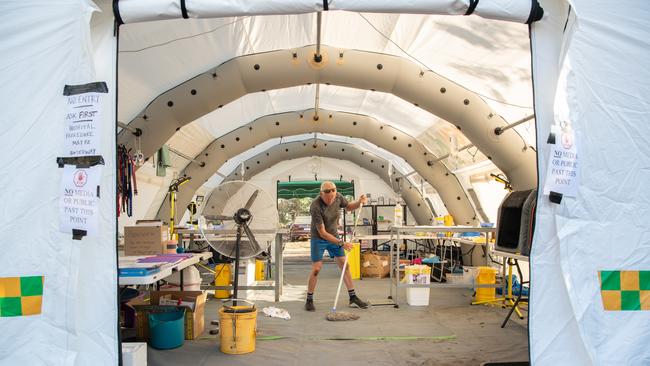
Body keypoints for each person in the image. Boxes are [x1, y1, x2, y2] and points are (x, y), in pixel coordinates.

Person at [305, 181, 369, 311]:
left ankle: (353, 298)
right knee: (316, 268)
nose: (331, 196)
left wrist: (359, 202)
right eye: (328, 194)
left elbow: (349, 207)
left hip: (333, 235)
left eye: (333, 192)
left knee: (345, 266)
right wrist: (342, 243)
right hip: (319, 238)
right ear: (321, 193)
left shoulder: (338, 197)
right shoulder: (315, 206)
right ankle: (309, 299)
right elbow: (322, 233)